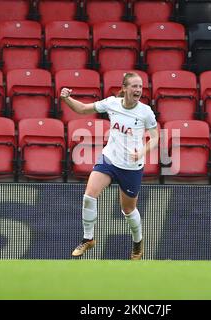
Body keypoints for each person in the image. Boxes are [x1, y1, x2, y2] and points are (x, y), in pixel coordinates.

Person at [61, 72, 158, 260]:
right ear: (124, 88)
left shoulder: (146, 112)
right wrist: (67, 98)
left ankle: (137, 242)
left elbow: (155, 138)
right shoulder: (112, 103)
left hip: (131, 166)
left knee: (128, 210)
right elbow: (82, 109)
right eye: (134, 86)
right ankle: (88, 239)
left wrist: (142, 152)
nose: (138, 90)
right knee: (89, 196)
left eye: (140, 87)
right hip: (109, 159)